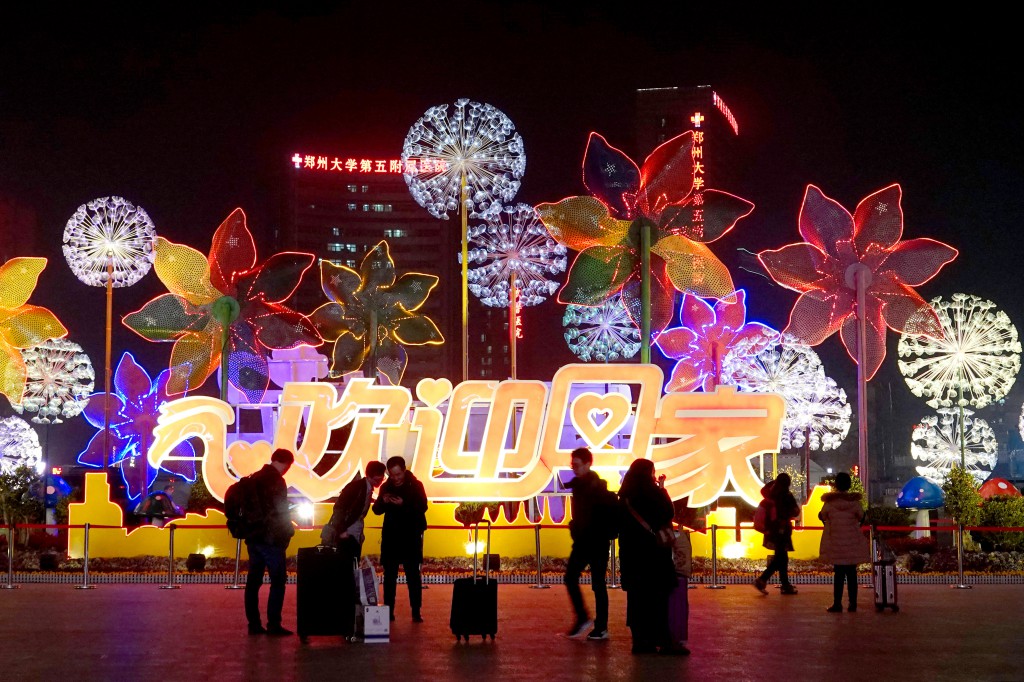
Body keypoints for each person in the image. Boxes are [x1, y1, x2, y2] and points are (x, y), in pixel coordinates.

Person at [617, 459, 680, 655]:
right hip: (654, 556)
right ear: (649, 473)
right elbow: (668, 512)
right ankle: (663, 640)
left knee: (636, 599)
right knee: (658, 598)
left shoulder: (625, 495)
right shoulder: (653, 493)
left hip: (632, 557)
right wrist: (662, 489)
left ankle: (640, 641)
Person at [244, 448, 296, 636]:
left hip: (253, 537)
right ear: (287, 463)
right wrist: (288, 531)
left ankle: (254, 624)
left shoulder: (254, 477)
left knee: (253, 582)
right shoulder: (276, 480)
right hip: (271, 539)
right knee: (278, 581)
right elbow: (280, 510)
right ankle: (274, 624)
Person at [563, 446, 612, 640]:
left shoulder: (597, 487)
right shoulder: (578, 486)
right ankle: (584, 618)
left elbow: (594, 516)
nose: (574, 468)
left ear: (588, 464)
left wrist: (576, 527)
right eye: (572, 465)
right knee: (571, 578)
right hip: (583, 542)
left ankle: (601, 626)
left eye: (576, 465)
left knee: (598, 584)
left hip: (597, 542)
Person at [372, 456, 428, 623]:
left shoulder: (416, 485)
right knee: (389, 576)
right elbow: (376, 510)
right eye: (392, 475)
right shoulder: (386, 487)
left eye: (398, 474)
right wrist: (383, 501)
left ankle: (416, 611)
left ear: (404, 470)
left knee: (413, 576)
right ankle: (389, 611)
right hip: (391, 537)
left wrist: (404, 503)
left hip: (411, 536)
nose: (395, 478)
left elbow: (423, 506)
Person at [322, 461, 388, 571]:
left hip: (353, 531)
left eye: (382, 478)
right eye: (379, 478)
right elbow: (339, 508)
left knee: (351, 562)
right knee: (347, 563)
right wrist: (342, 530)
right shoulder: (356, 487)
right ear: (369, 475)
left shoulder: (366, 488)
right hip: (347, 531)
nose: (381, 480)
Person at [819, 472, 869, 612]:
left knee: (839, 575)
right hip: (851, 543)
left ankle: (837, 604)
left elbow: (822, 516)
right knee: (852, 575)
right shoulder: (854, 503)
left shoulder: (829, 503)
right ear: (849, 485)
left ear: (836, 484)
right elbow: (862, 517)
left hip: (836, 544)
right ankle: (853, 604)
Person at [753, 472, 800, 595]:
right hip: (782, 531)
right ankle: (763, 580)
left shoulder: (770, 495)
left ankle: (784, 585)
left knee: (782, 558)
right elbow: (795, 511)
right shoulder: (786, 495)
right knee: (781, 558)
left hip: (771, 530)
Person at [668, 501, 696, 655]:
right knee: (678, 602)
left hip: (658, 570)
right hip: (676, 574)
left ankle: (654, 638)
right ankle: (676, 637)